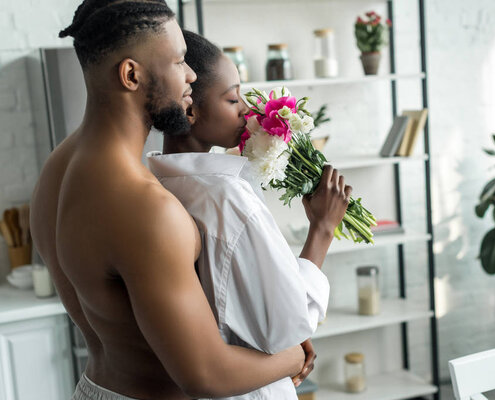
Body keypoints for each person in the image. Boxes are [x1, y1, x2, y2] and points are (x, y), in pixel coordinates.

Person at [30, 1, 312, 399]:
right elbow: (206, 376)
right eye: (180, 62)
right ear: (131, 75)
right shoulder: (143, 206)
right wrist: (293, 357)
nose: (191, 75)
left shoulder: (57, 169)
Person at [147, 31, 352, 399]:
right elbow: (288, 327)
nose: (246, 109)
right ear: (190, 108)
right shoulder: (226, 198)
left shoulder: (156, 183)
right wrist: (322, 229)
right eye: (231, 98)